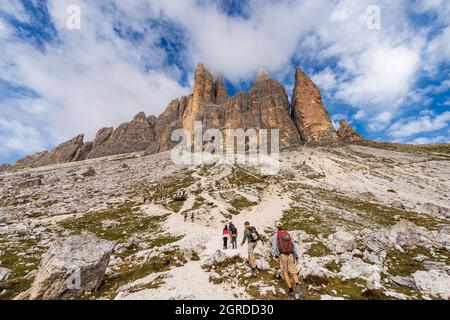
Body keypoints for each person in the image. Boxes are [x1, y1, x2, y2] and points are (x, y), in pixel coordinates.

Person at [271, 221, 303, 299]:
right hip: (290, 254)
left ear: (276, 228)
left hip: (282, 255)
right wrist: (295, 255)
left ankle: (290, 289)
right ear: (282, 226)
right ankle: (297, 286)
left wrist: (276, 256)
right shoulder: (287, 234)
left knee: (285, 272)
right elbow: (292, 245)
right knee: (294, 272)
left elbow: (275, 247)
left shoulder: (276, 235)